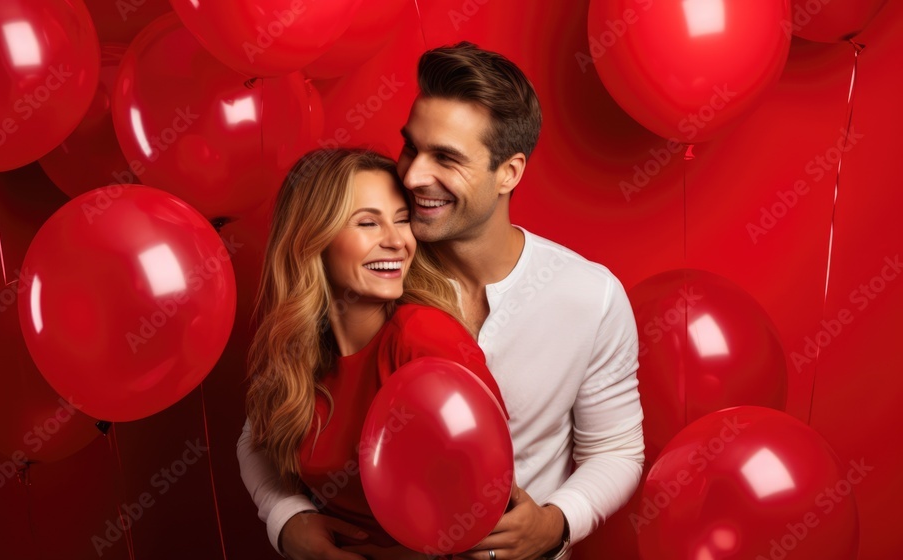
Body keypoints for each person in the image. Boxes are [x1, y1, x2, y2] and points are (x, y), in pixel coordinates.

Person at [239, 43, 645, 560]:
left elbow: (616, 450)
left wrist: (555, 524)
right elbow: (269, 421)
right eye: (411, 148)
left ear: (509, 172)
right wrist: (286, 518)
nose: (411, 177)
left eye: (446, 158)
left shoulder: (589, 295)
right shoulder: (370, 272)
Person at [242, 148, 510, 560]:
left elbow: (485, 495)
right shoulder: (299, 350)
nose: (397, 241)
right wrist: (287, 519)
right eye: (368, 223)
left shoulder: (424, 338)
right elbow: (254, 440)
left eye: (402, 220)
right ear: (313, 239)